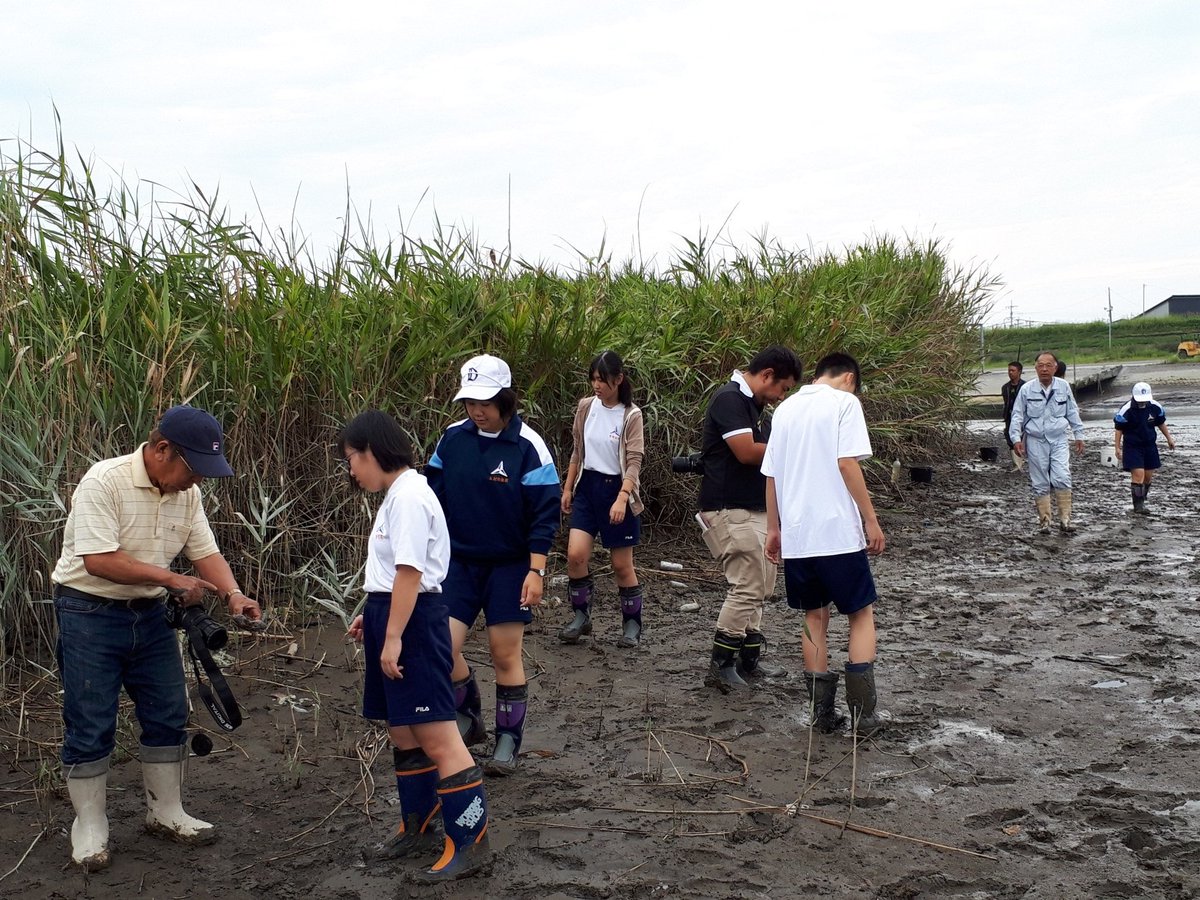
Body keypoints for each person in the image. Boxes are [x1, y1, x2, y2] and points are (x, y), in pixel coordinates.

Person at [50, 406, 262, 871]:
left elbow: (205, 551)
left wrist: (233, 594)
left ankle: (165, 812)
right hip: (88, 610)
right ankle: (90, 824)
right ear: (162, 449)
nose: (197, 482)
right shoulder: (104, 481)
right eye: (193, 470)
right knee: (90, 720)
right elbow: (99, 560)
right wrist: (170, 580)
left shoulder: (187, 495)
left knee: (168, 711)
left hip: (148, 615)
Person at [341, 410, 490, 881]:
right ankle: (418, 827)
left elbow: (412, 573)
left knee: (437, 734)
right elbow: (393, 573)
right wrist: (375, 614)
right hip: (396, 611)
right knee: (403, 731)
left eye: (352, 459)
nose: (351, 470)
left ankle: (471, 840)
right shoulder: (396, 496)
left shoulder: (409, 496)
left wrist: (393, 636)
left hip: (415, 622)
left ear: (372, 452)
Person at [426, 354, 561, 775]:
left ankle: (508, 740)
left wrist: (535, 571)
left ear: (506, 399)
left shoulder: (528, 447)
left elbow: (545, 515)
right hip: (459, 565)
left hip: (511, 567)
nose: (477, 411)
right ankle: (470, 716)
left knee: (505, 654)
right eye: (469, 402)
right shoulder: (451, 440)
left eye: (485, 402)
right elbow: (431, 497)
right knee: (441, 649)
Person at [763, 353, 886, 734]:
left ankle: (821, 715)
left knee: (814, 619)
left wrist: (773, 528)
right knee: (860, 615)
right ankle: (863, 716)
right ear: (849, 378)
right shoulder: (844, 403)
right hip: (836, 533)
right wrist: (870, 518)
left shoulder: (784, 410)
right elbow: (847, 462)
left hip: (799, 537)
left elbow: (771, 475)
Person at [698, 345, 802, 692]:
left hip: (752, 508)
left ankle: (748, 660)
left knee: (761, 585)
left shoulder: (755, 408)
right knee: (748, 586)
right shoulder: (729, 400)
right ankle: (721, 664)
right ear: (767, 375)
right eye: (782, 388)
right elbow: (745, 452)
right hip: (728, 507)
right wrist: (794, 450)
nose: (780, 396)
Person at [559, 351, 647, 648]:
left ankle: (632, 624)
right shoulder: (586, 407)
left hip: (617, 488)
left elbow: (634, 461)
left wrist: (623, 497)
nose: (596, 385)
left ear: (618, 379)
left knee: (621, 564)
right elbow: (577, 451)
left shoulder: (630, 415)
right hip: (588, 487)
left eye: (602, 380)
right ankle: (581, 617)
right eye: (593, 379)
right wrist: (568, 487)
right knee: (576, 555)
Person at [1009, 351, 1085, 533]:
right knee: (1040, 480)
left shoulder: (1063, 387)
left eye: (1048, 365)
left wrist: (1079, 434)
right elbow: (1017, 415)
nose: (1044, 369)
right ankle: (1044, 520)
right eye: (1040, 365)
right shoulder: (1026, 389)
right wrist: (1015, 439)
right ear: (1035, 368)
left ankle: (1065, 519)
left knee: (1062, 476)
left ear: (1055, 367)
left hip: (1058, 438)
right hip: (1036, 440)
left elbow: (1072, 411)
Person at [1113, 382, 1175, 514]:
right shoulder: (1126, 409)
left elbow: (1161, 423)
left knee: (1147, 477)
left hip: (1150, 445)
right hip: (1132, 446)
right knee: (1138, 475)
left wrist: (1169, 438)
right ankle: (1138, 506)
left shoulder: (1155, 407)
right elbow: (1119, 429)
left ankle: (1142, 498)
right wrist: (1117, 447)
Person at [1001, 361, 1026, 471]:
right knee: (1010, 437)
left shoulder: (1025, 386)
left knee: (1023, 437)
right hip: (1009, 416)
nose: (1010, 373)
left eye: (1013, 371)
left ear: (1019, 372)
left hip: (1022, 416)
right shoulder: (1005, 387)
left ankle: (1022, 460)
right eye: (1009, 371)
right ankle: (1017, 464)